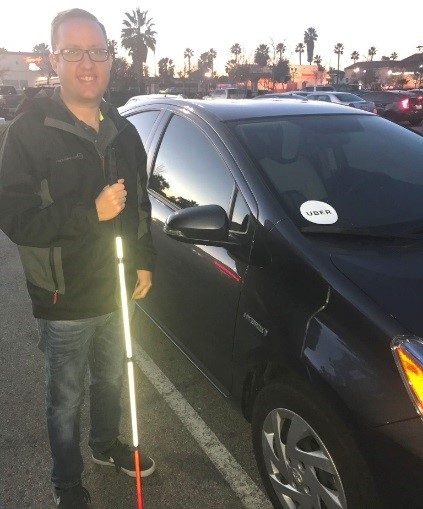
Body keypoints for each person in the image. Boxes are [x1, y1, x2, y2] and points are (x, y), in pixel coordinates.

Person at [0, 9, 156, 508]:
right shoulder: (28, 132)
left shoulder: (124, 132)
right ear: (54, 58)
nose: (87, 63)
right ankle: (67, 483)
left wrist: (144, 260)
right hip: (62, 296)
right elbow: (18, 221)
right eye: (74, 52)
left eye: (97, 51)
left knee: (110, 375)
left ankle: (106, 444)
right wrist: (90, 211)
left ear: (110, 57)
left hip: (116, 287)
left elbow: (141, 206)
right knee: (64, 398)